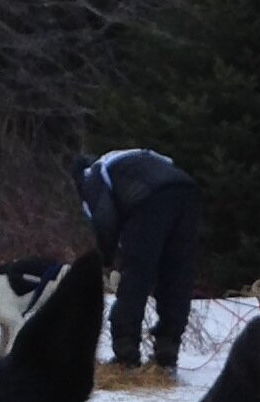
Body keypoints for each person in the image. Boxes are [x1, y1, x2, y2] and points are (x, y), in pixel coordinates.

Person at [77, 145, 200, 373]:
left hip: (148, 200)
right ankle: (167, 350)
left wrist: (108, 259)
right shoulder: (129, 158)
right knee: (177, 274)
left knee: (136, 277)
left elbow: (104, 221)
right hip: (187, 190)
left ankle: (126, 354)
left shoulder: (94, 174)